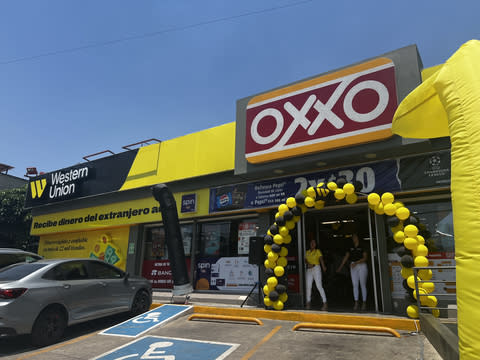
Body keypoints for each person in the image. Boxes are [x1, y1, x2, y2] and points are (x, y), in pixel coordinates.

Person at [337, 233, 368, 311]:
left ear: (358, 237)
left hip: (361, 265)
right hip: (353, 266)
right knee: (355, 285)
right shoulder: (350, 247)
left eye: (355, 237)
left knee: (362, 284)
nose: (354, 238)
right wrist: (340, 267)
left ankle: (364, 302)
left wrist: (357, 262)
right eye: (353, 237)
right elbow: (346, 257)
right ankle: (356, 302)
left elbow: (365, 258)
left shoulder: (362, 246)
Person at [305, 237, 328, 311]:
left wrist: (324, 266)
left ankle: (325, 303)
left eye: (314, 242)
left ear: (315, 245)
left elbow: (321, 259)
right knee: (308, 286)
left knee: (319, 286)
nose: (312, 243)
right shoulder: (307, 252)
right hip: (309, 269)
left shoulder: (317, 251)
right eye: (311, 242)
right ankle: (308, 302)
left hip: (316, 268)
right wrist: (308, 264)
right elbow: (305, 259)